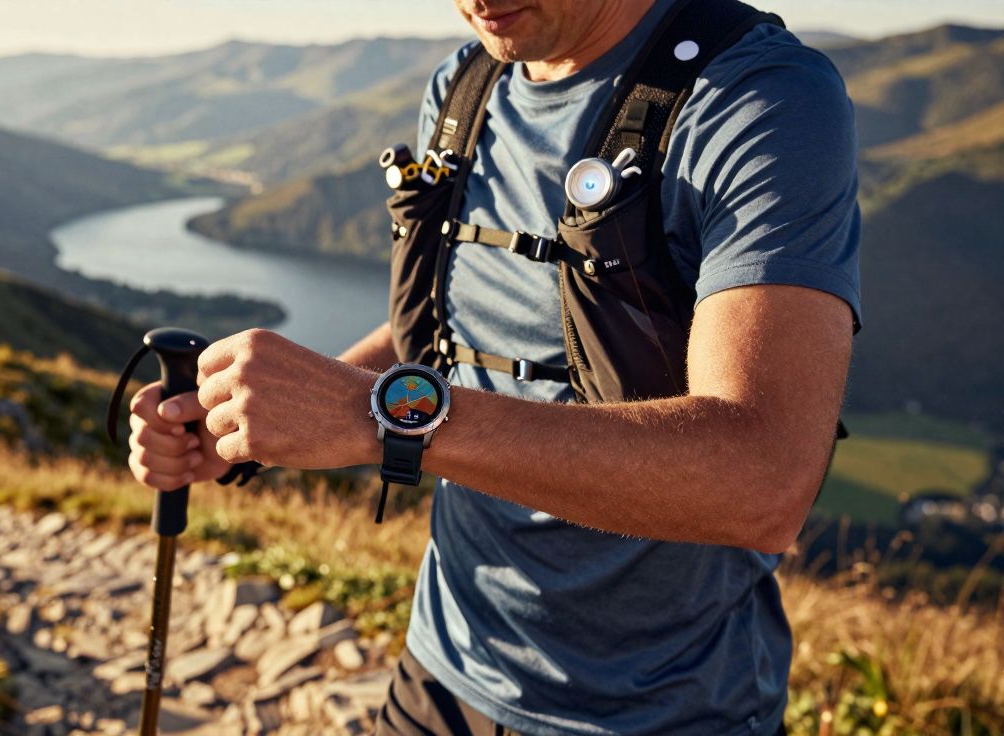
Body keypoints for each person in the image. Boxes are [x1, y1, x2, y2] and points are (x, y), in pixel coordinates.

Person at [124, 0, 861, 732]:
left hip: (661, 709)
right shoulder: (467, 85)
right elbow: (447, 331)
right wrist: (240, 426)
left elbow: (763, 481)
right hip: (439, 676)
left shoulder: (757, 100)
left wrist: (380, 417)